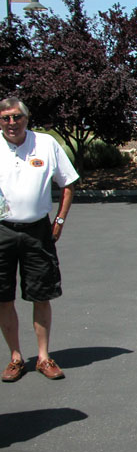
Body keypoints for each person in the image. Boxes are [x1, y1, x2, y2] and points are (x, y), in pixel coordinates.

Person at [0, 97, 79, 382]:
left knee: (41, 295)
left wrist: (59, 220)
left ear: (26, 118)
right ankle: (16, 358)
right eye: (5, 118)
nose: (11, 123)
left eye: (16, 117)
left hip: (37, 231)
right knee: (3, 297)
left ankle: (44, 358)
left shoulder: (45, 144)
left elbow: (67, 183)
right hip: (2, 231)